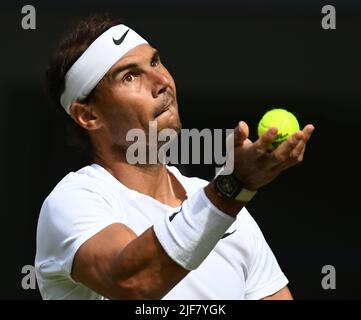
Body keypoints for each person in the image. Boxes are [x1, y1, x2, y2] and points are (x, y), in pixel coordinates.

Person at [35, 14, 314, 300]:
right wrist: (230, 188)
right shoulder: (73, 201)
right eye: (129, 76)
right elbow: (133, 283)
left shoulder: (230, 212)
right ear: (88, 115)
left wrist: (229, 192)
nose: (162, 81)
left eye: (155, 62)